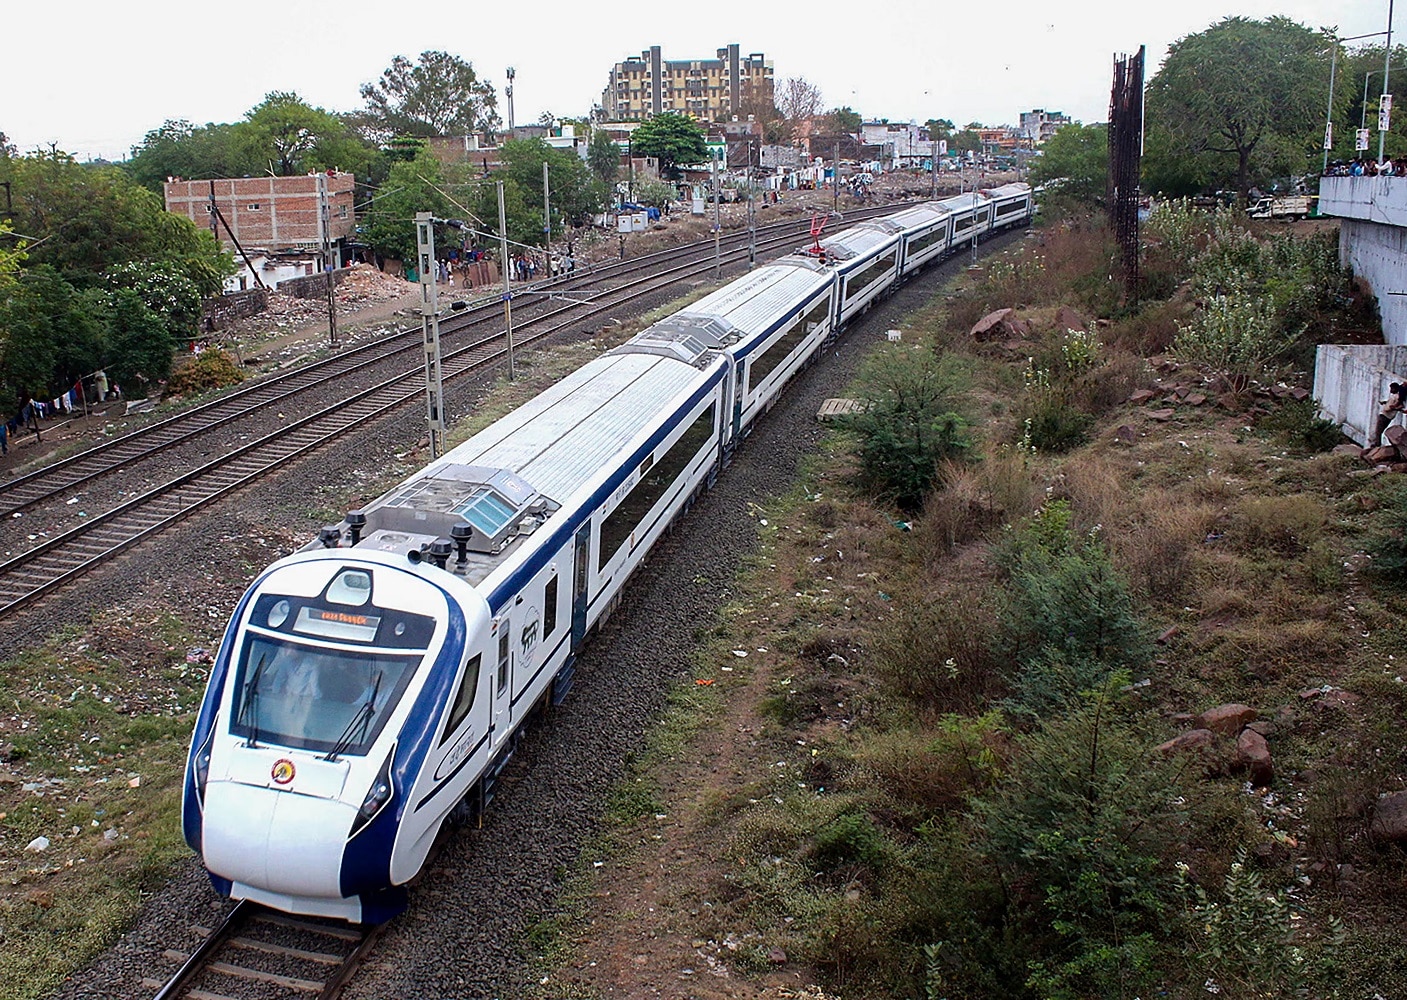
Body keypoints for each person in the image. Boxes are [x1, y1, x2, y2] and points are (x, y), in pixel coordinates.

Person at [1374, 382, 1407, 446]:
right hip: (1386, 415)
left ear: (1395, 388)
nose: (1390, 390)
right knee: (1378, 431)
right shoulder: (1395, 396)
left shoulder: (1397, 397)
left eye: (1392, 388)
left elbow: (1401, 405)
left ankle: (1377, 445)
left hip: (1386, 415)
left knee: (1378, 431)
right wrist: (1385, 403)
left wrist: (1394, 407)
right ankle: (1377, 444)